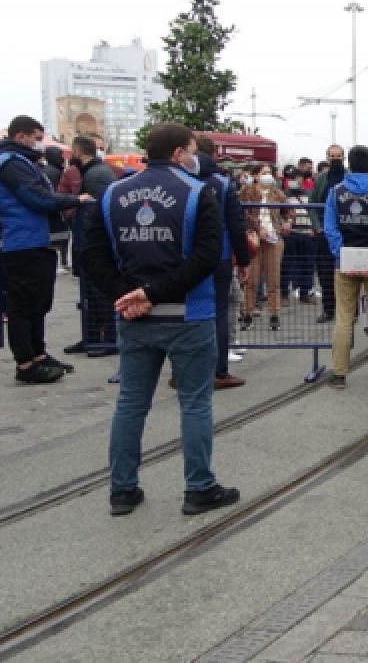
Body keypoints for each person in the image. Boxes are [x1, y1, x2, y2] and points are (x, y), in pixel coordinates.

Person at [80, 122, 239, 516]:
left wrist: (127, 295)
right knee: (195, 404)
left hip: (134, 317)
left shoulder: (112, 194)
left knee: (131, 404)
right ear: (178, 153)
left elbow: (92, 255)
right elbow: (206, 257)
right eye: (190, 150)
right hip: (190, 315)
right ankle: (199, 487)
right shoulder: (198, 193)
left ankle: (122, 489)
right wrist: (151, 294)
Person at [0, 116, 93, 384]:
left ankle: (39, 354)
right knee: (24, 305)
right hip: (21, 243)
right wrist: (75, 199)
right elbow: (35, 197)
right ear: (21, 136)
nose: (39, 143)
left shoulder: (23, 162)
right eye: (36, 138)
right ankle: (26, 363)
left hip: (35, 241)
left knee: (38, 303)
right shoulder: (11, 163)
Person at [323, 145, 368, 390]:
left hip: (345, 261)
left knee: (343, 318)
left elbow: (330, 228)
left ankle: (339, 373)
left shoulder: (335, 192)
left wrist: (341, 253)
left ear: (348, 164)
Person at [194, 136, 252, 389]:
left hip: (188, 256)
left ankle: (185, 370)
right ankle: (219, 372)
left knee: (188, 312)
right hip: (220, 255)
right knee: (219, 312)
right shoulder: (222, 183)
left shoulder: (184, 181)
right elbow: (236, 225)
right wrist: (244, 260)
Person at [63, 136, 120, 358]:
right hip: (93, 242)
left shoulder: (96, 174)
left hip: (94, 244)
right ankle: (93, 336)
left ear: (78, 150)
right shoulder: (98, 171)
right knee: (90, 294)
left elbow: (95, 213)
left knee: (98, 293)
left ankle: (104, 338)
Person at [240, 166, 292, 332]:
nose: (267, 176)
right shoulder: (247, 192)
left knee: (273, 279)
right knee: (251, 280)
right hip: (253, 239)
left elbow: (289, 211)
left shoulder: (278, 193)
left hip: (274, 238)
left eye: (269, 173)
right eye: (264, 173)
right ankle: (247, 314)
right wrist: (256, 227)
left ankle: (274, 315)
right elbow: (241, 212)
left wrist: (288, 222)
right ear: (256, 175)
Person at [309, 145, 345, 323]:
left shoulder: (348, 178)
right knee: (324, 274)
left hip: (344, 236)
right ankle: (328, 309)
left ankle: (347, 312)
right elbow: (312, 203)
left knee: (345, 275)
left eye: (338, 156)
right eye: (332, 156)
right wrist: (317, 225)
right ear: (327, 158)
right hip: (323, 234)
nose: (335, 159)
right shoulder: (321, 179)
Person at [281, 165, 317, 304]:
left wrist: (314, 228)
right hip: (291, 234)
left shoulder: (309, 194)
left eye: (296, 178)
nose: (294, 180)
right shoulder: (283, 195)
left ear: (302, 179)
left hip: (307, 233)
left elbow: (313, 212)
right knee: (287, 265)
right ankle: (284, 294)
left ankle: (305, 293)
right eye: (291, 178)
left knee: (307, 265)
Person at [43, 146, 72, 273]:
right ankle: (63, 262)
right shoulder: (55, 172)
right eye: (60, 155)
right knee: (61, 236)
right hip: (57, 208)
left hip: (52, 208)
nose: (62, 158)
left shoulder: (46, 170)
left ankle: (62, 261)